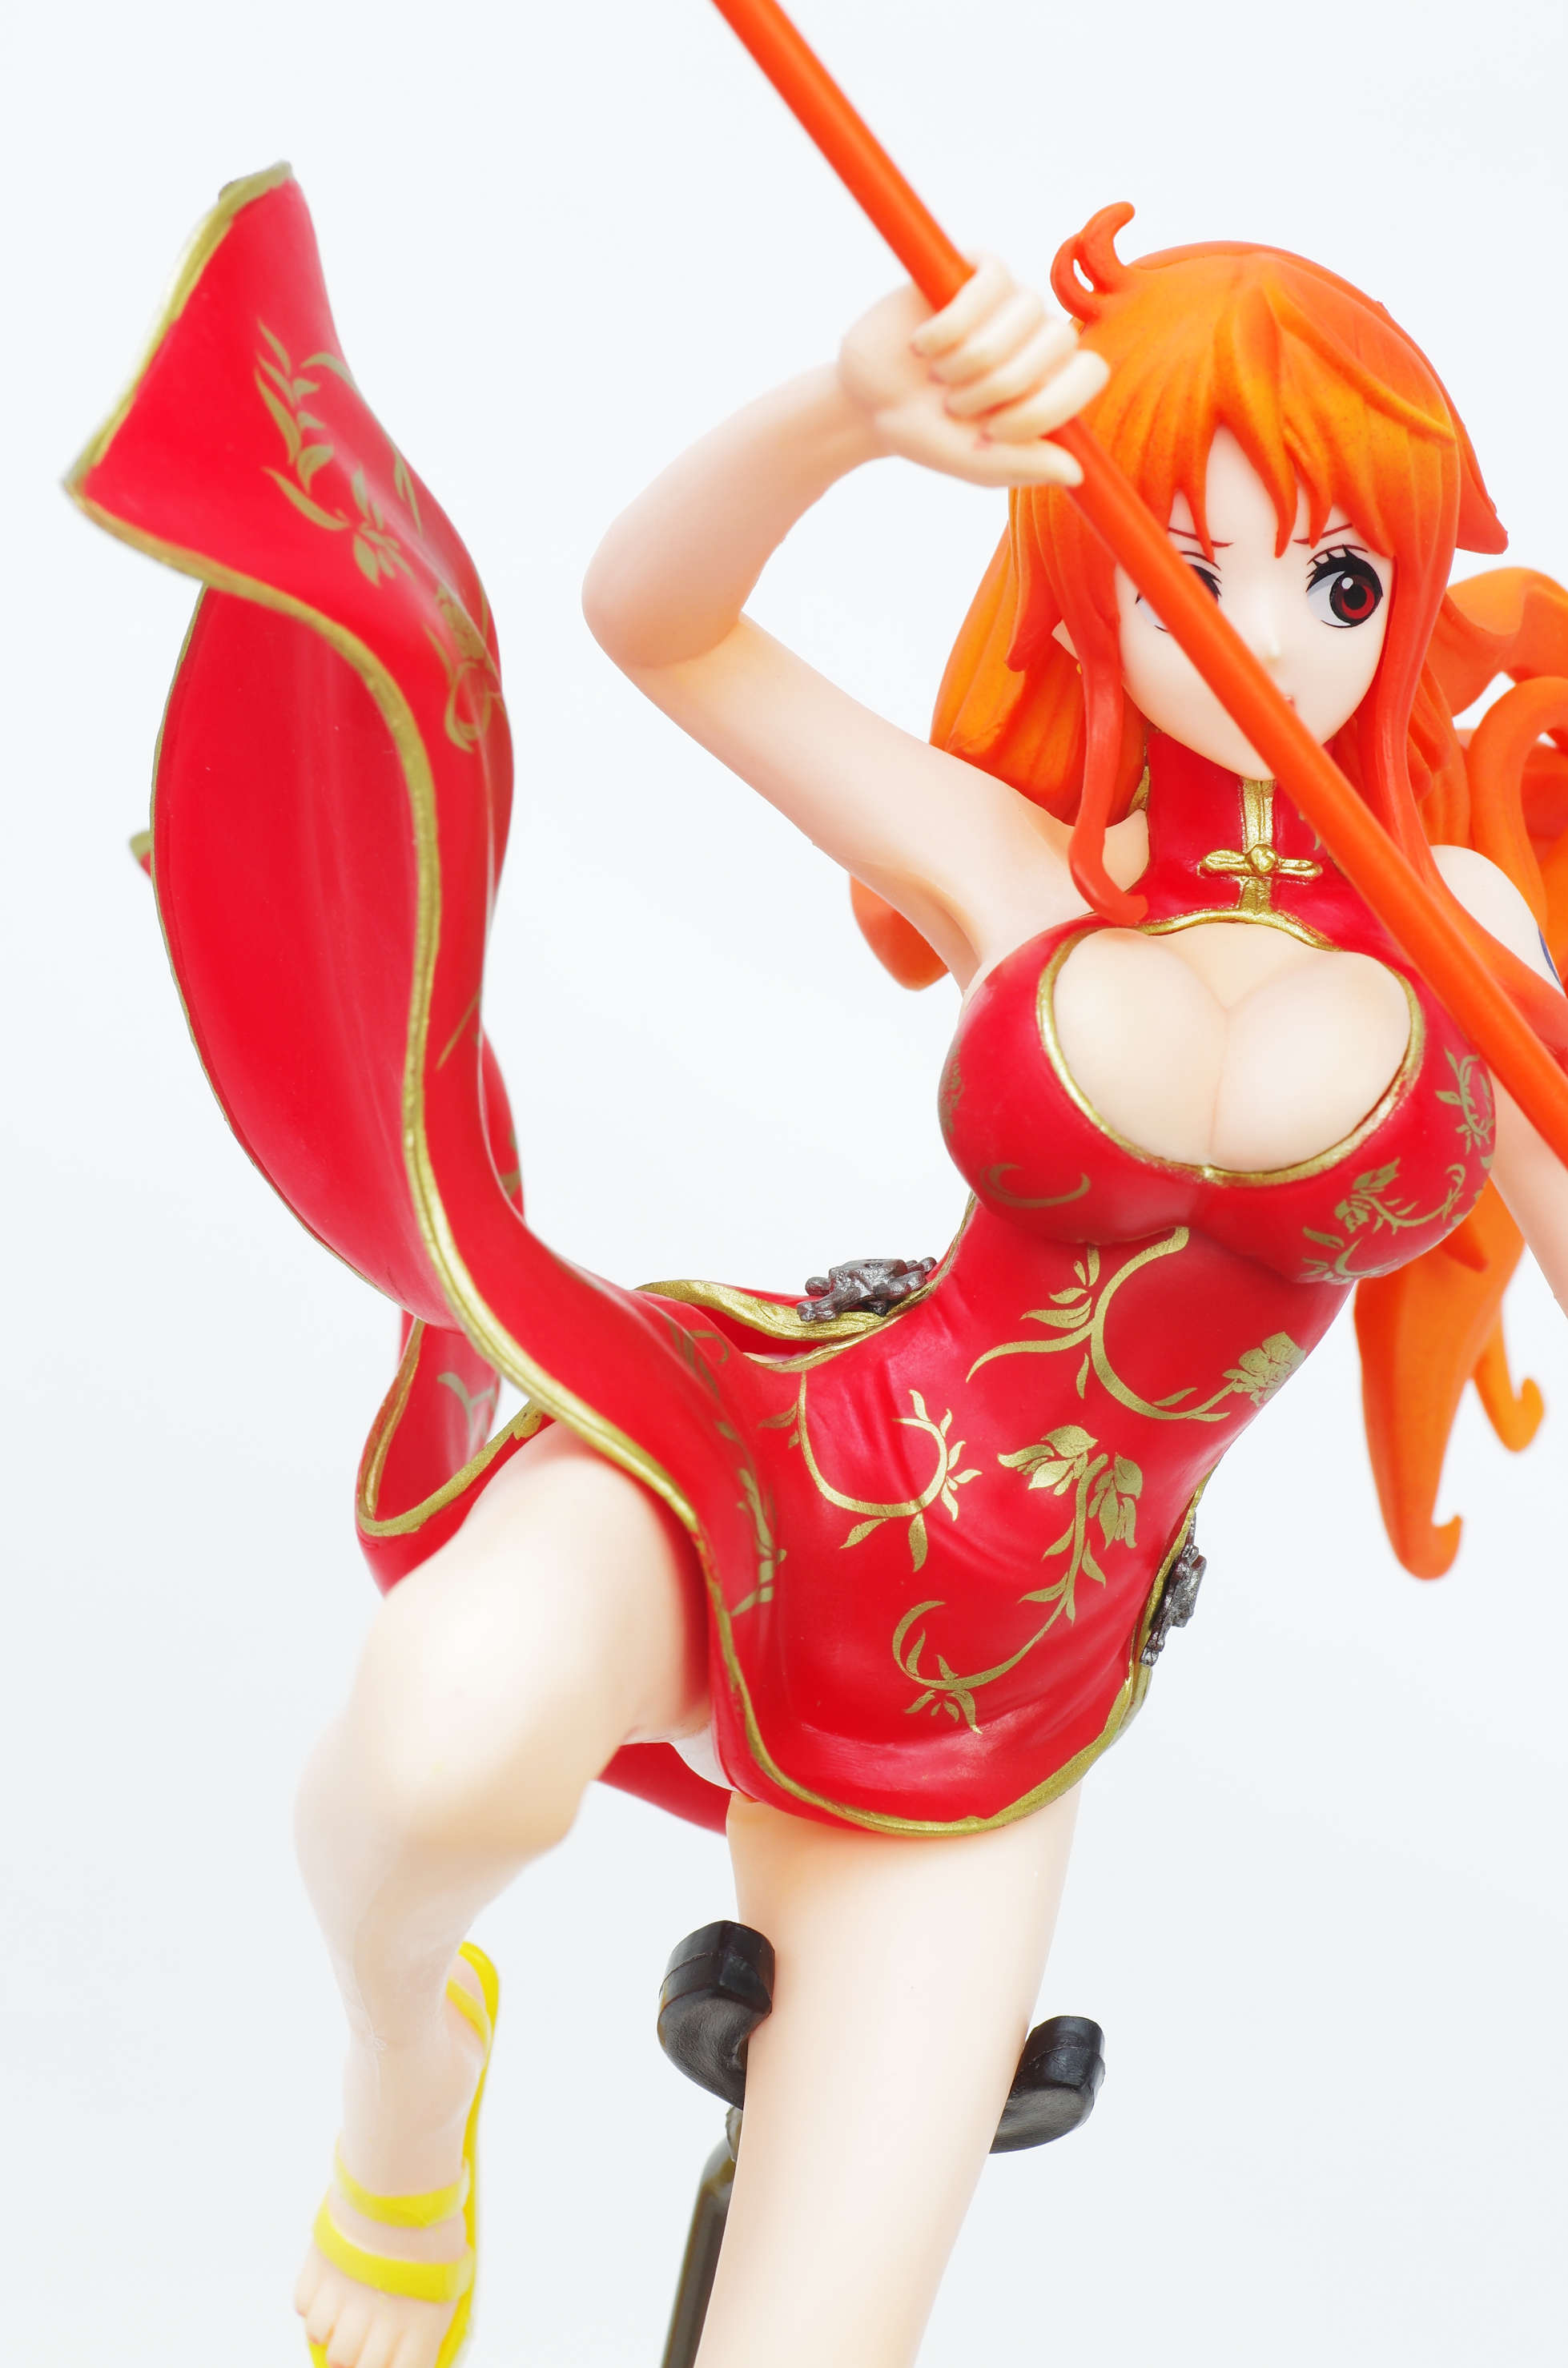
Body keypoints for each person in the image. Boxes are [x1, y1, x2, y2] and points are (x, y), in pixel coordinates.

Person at [71, 175, 1568, 2368]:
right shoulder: (1023, 862)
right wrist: (848, 413)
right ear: (1098, 570)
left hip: (1007, 1688)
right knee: (439, 1741)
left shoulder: (1461, 935)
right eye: (1196, 560)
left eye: (1338, 574)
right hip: (773, 1462)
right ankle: (410, 2075)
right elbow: (654, 622)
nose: (1267, 629)